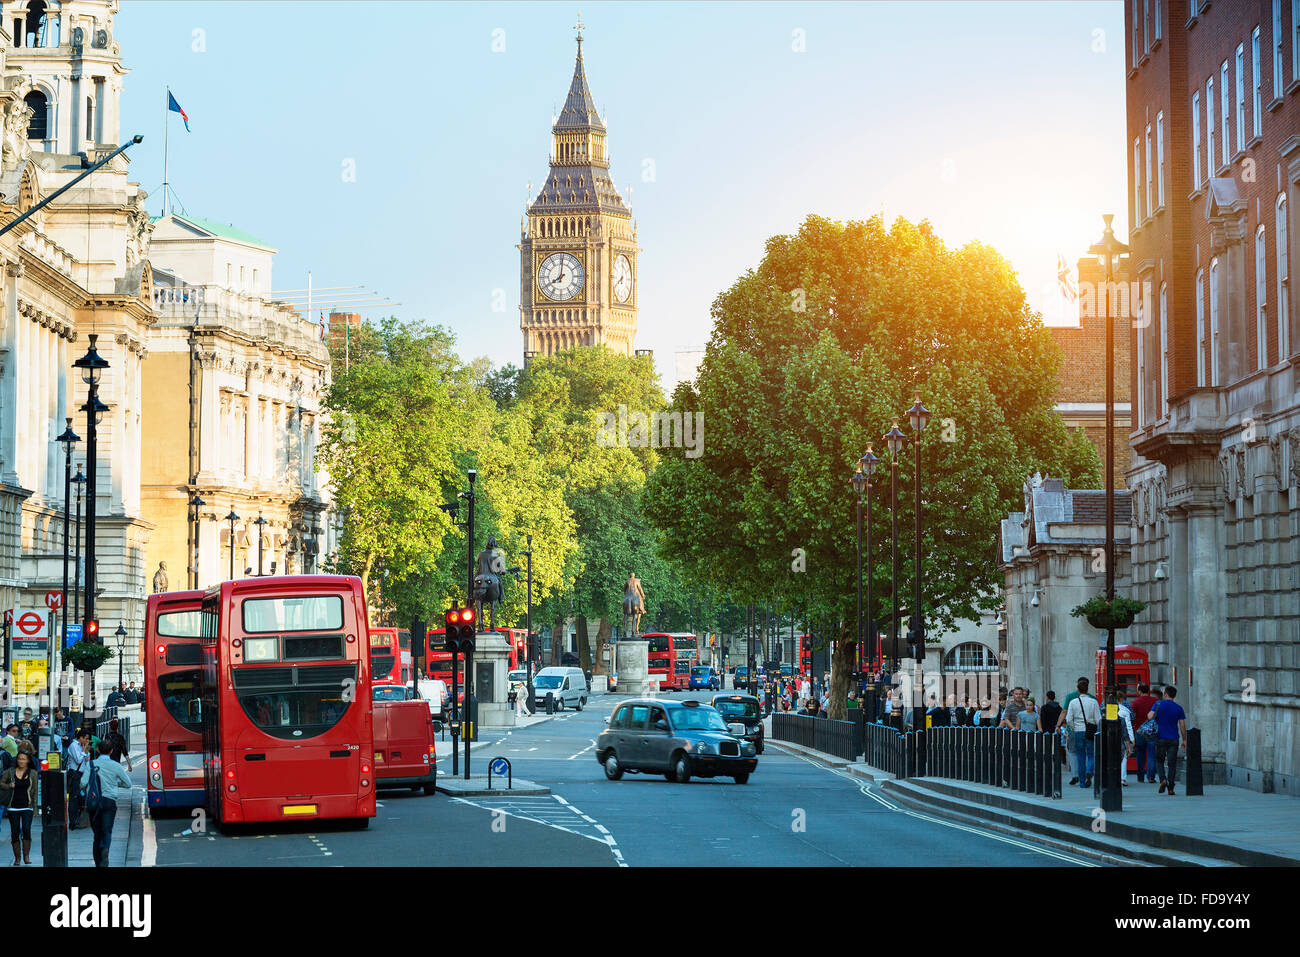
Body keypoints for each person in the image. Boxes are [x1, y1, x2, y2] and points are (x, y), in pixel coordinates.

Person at [85, 740, 133, 867]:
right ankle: (105, 848)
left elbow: (83, 783)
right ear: (111, 751)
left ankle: (98, 862)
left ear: (98, 750)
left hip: (94, 802)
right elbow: (128, 784)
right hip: (109, 802)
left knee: (97, 834)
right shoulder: (116, 766)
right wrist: (114, 783)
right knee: (107, 831)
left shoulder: (91, 764)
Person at [1057, 677, 1100, 789]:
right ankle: (1089, 771)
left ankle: (1082, 782)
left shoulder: (1073, 702)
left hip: (1078, 731)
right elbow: (1098, 719)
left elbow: (1069, 719)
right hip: (1090, 731)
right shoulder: (1093, 701)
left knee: (1080, 756)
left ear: (1078, 689)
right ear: (1087, 688)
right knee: (1091, 754)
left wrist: (1073, 728)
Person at [0, 750, 37, 865]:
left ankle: (26, 856)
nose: (21, 761)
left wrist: (35, 807)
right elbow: (1, 783)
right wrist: (9, 785)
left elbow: (34, 791)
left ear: (28, 761)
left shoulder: (33, 773)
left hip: (27, 806)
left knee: (26, 829)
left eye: (24, 759)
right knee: (14, 832)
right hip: (13, 807)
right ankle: (17, 858)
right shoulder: (10, 772)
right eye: (19, 758)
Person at [1150, 685, 1187, 795]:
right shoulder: (1178, 708)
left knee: (1159, 761)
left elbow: (1149, 717)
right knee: (1172, 763)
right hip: (1173, 739)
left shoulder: (1157, 704)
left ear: (1165, 693)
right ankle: (1171, 788)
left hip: (1160, 737)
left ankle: (1163, 780)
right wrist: (1184, 740)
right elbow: (1182, 725)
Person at [1129, 683, 1158, 784]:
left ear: (1139, 691)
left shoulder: (1136, 702)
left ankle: (1140, 777)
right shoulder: (1155, 701)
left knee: (1140, 754)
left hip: (1140, 731)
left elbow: (1131, 717)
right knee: (1151, 754)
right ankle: (1151, 776)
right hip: (1152, 731)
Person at [65, 730, 92, 830]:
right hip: (75, 775)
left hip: (82, 775)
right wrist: (84, 751)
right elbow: (78, 760)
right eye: (86, 738)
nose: (87, 740)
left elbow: (85, 760)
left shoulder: (81, 746)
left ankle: (79, 820)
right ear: (80, 737)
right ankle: (73, 822)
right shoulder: (74, 746)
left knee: (82, 797)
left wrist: (85, 751)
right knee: (74, 799)